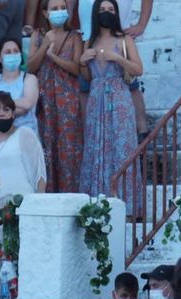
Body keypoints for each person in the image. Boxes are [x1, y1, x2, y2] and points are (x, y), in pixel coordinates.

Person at [0, 88, 44, 294]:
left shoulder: (25, 134)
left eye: (6, 109)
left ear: (13, 113)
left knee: (15, 261)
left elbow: (39, 174)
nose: (1, 113)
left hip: (15, 208)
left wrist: (36, 207)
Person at [75, 0, 139, 209]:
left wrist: (118, 58)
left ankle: (127, 205)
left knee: (122, 146)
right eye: (102, 9)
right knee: (96, 146)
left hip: (119, 98)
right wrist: (82, 62)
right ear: (95, 13)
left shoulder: (124, 39)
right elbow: (87, 76)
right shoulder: (89, 41)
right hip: (96, 99)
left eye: (111, 9)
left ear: (117, 13)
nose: (106, 13)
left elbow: (138, 69)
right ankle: (96, 204)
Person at [25, 0, 81, 192]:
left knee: (68, 147)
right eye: (54, 9)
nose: (59, 12)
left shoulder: (74, 37)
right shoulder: (38, 35)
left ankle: (70, 194)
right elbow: (30, 67)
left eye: (62, 8)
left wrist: (54, 57)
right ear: (45, 13)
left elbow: (76, 69)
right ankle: (47, 194)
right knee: (46, 146)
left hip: (68, 100)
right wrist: (45, 47)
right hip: (45, 100)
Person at [0, 36, 37, 141]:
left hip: (23, 138)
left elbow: (27, 104)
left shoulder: (29, 79)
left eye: (16, 51)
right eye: (8, 52)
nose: (13, 55)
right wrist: (10, 107)